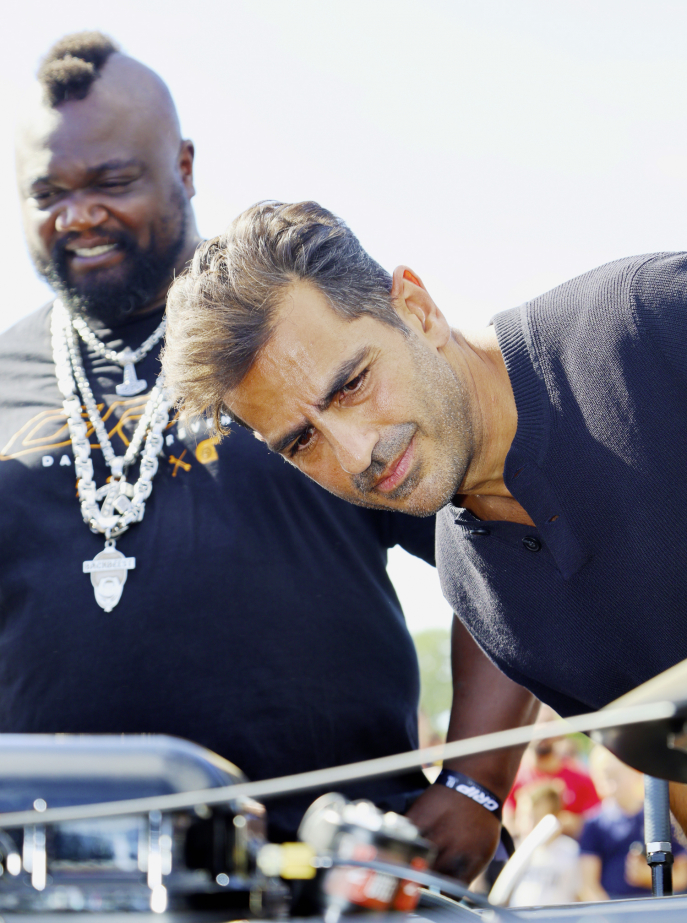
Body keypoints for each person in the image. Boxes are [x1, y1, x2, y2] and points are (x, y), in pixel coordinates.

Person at [3, 33, 496, 854]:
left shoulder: (299, 338)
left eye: (112, 182)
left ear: (184, 167)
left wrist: (476, 783)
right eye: (47, 191)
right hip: (47, 882)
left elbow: (494, 531)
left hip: (325, 873)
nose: (78, 214)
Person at [161, 199, 687, 855]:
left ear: (416, 308)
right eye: (301, 442)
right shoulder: (475, 589)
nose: (356, 454)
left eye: (351, 385)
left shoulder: (653, 319)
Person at [579, 747, 687, 900]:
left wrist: (647, 876)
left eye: (615, 775)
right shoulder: (594, 825)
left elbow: (682, 876)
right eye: (603, 776)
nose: (609, 783)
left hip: (656, 906)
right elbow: (589, 885)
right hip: (614, 906)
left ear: (635, 773)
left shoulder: (661, 819)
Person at [506, 736, 599, 839]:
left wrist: (561, 823)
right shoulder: (514, 780)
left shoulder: (581, 779)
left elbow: (596, 821)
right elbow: (507, 824)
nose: (542, 737)